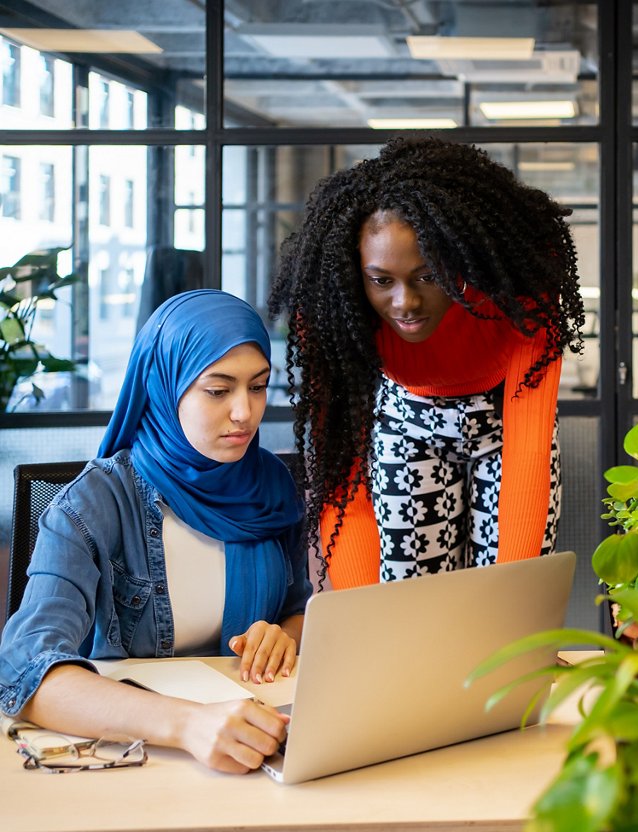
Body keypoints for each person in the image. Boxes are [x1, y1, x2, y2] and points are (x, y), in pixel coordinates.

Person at [0, 290, 310, 774]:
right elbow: (23, 671)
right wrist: (189, 725)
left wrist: (284, 634)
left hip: (256, 743)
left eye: (257, 386)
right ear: (165, 386)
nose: (245, 413)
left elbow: (298, 608)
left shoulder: (271, 486)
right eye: (218, 389)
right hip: (141, 752)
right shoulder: (93, 502)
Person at [268, 137, 584, 588]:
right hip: (406, 422)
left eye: (429, 276)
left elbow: (528, 447)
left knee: (504, 602)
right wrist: (365, 620)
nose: (406, 303)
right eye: (381, 280)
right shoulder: (328, 304)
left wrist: (510, 615)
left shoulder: (520, 285)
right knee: (410, 601)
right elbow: (344, 482)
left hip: (504, 427)